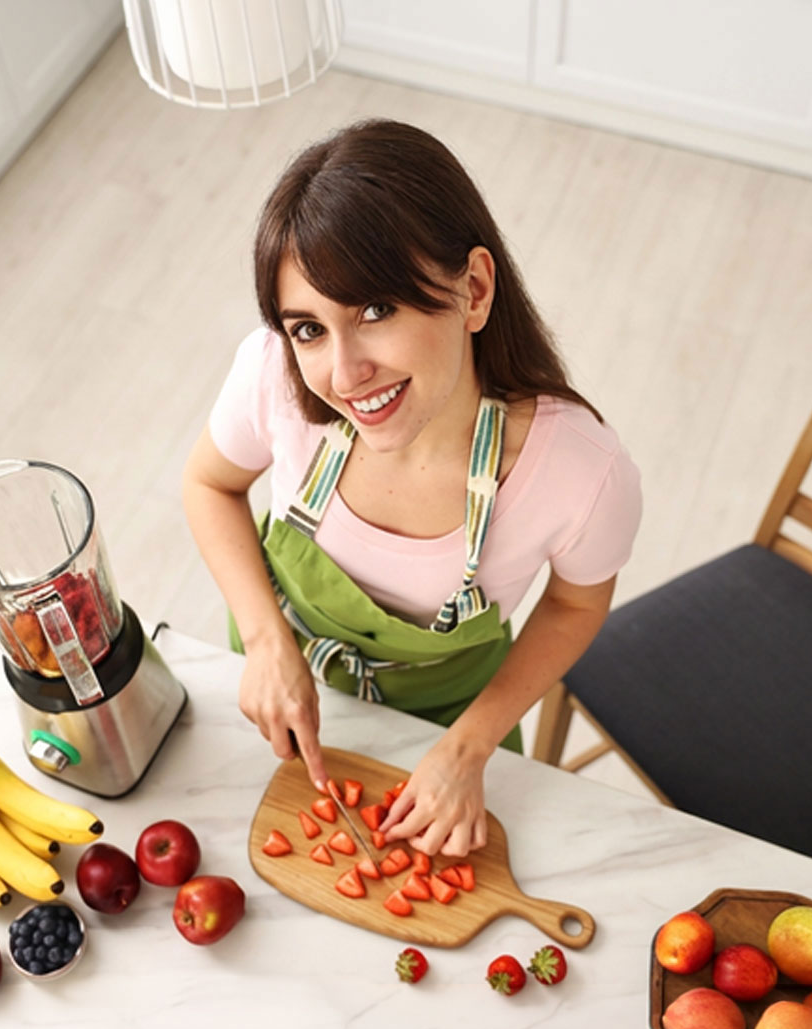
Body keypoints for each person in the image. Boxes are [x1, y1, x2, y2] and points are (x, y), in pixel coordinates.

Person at [182, 119, 642, 857]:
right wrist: (268, 642)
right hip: (277, 691)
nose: (343, 373)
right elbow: (210, 484)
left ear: (475, 290)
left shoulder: (581, 471)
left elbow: (578, 602)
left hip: (452, 726)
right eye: (309, 329)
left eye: (375, 310)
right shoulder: (272, 374)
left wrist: (469, 749)